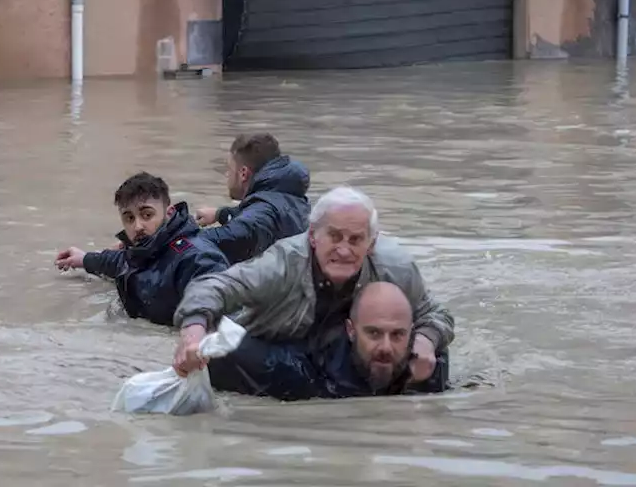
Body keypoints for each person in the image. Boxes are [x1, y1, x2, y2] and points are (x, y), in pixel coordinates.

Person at [171, 186, 454, 387]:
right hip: (283, 350)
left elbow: (436, 315)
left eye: (355, 240)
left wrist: (425, 342)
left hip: (346, 352)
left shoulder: (396, 268)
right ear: (313, 236)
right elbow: (211, 287)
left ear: (372, 243)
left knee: (435, 361)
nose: (344, 250)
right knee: (222, 357)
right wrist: (192, 336)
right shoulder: (282, 264)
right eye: (335, 237)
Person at [204, 281, 450, 401]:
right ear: (351, 331)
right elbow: (222, 349)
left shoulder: (427, 366)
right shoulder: (302, 371)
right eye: (373, 334)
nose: (386, 347)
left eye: (397, 335)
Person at [55, 172, 229, 326]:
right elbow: (119, 261)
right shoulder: (143, 251)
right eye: (129, 218)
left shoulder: (195, 257)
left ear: (168, 214)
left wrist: (194, 331)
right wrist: (84, 259)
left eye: (147, 215)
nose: (137, 226)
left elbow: (220, 301)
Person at [194, 133, 311, 264]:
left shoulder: (263, 213)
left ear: (243, 173)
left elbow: (235, 234)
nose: (227, 174)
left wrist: (178, 237)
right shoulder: (286, 196)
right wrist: (219, 214)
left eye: (230, 169)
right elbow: (254, 217)